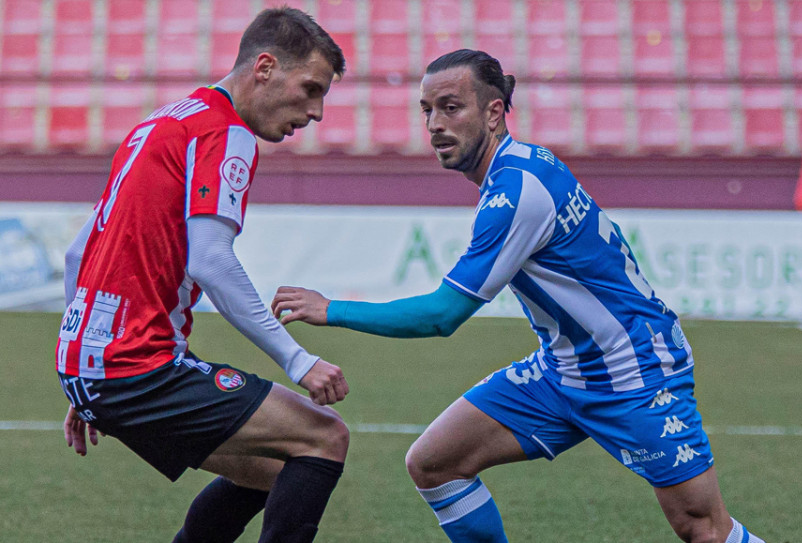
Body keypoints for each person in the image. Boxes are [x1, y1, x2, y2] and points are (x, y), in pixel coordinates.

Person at [271, 49, 766, 543]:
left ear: (492, 112)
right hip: (565, 370)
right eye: (427, 110)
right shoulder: (520, 166)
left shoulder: (517, 190)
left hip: (634, 369)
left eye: (450, 107)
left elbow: (443, 314)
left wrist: (330, 309)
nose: (435, 124)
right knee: (435, 463)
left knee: (703, 528)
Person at [56, 8, 350, 543]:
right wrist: (299, 359)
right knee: (323, 437)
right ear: (264, 68)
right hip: (136, 364)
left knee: (275, 473)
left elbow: (79, 253)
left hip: (89, 364)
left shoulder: (161, 122)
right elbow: (210, 260)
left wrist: (84, 380)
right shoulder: (225, 132)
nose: (316, 112)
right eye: (310, 89)